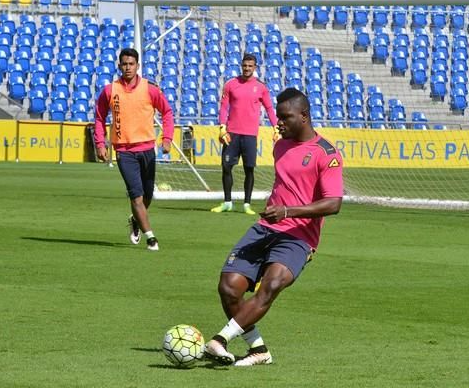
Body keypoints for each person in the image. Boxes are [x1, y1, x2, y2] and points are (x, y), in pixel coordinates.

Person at [204, 87, 344, 367]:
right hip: (266, 227)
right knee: (229, 288)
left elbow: (333, 204)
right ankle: (258, 350)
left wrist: (288, 211)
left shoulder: (327, 154)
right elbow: (286, 185)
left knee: (272, 283)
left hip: (299, 236)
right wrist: (275, 210)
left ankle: (219, 340)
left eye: (284, 117)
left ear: (304, 116)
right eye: (277, 117)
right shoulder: (280, 144)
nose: (277, 123)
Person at [93, 48, 174, 251]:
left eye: (131, 64)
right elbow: (99, 117)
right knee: (136, 196)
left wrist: (167, 138)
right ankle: (151, 238)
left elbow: (167, 112)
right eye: (124, 64)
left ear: (138, 66)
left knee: (147, 196)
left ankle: (136, 219)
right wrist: (100, 143)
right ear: (119, 66)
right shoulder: (110, 90)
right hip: (124, 151)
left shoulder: (150, 89)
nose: (128, 67)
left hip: (147, 149)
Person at [211, 53, 279, 215]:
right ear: (241, 66)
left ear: (255, 68)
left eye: (250, 66)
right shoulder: (231, 84)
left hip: (250, 135)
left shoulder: (261, 87)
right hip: (232, 134)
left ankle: (247, 204)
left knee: (249, 169)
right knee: (226, 167)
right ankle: (227, 202)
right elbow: (224, 107)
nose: (247, 68)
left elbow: (269, 108)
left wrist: (276, 126)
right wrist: (222, 126)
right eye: (245, 65)